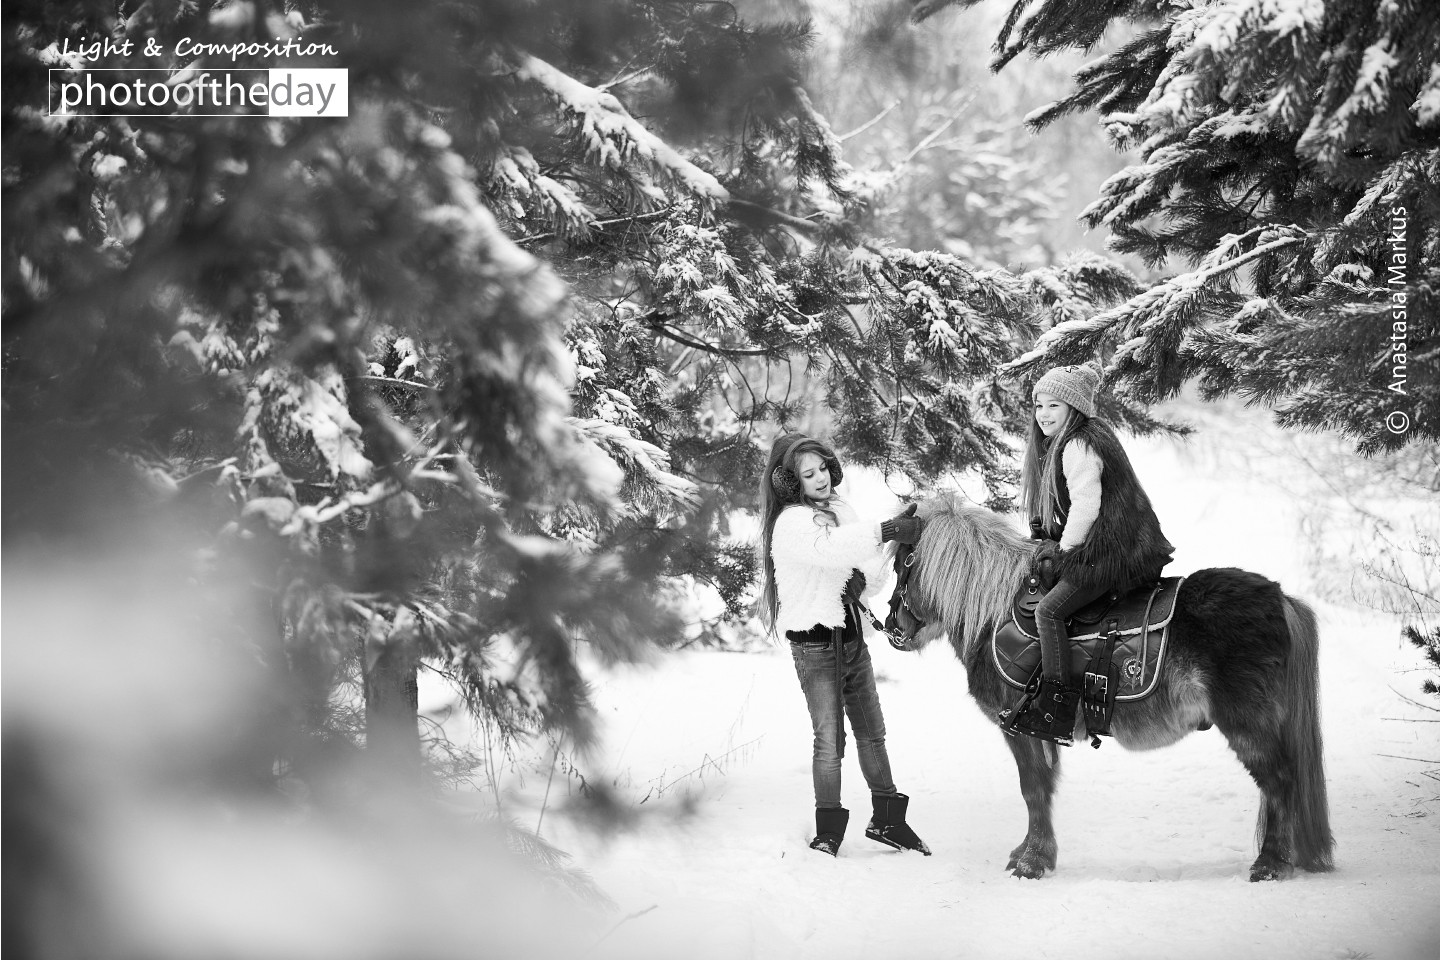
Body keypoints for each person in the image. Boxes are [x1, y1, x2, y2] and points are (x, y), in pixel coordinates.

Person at [757, 432, 930, 857]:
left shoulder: (841, 509)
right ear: (788, 482)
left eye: (823, 470)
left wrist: (872, 567)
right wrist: (886, 529)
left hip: (851, 638)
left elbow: (868, 570)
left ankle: (889, 820)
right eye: (807, 474)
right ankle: (828, 830)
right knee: (829, 742)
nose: (819, 480)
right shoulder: (791, 522)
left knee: (874, 733)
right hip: (815, 647)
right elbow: (829, 549)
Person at [1003, 363, 1174, 745]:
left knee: (1048, 611)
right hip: (1121, 546)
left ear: (1073, 409)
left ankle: (1056, 707)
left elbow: (1085, 507)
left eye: (1054, 406)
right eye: (1039, 405)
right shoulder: (1079, 438)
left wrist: (1062, 554)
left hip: (1112, 553)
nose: (1043, 414)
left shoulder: (1078, 443)